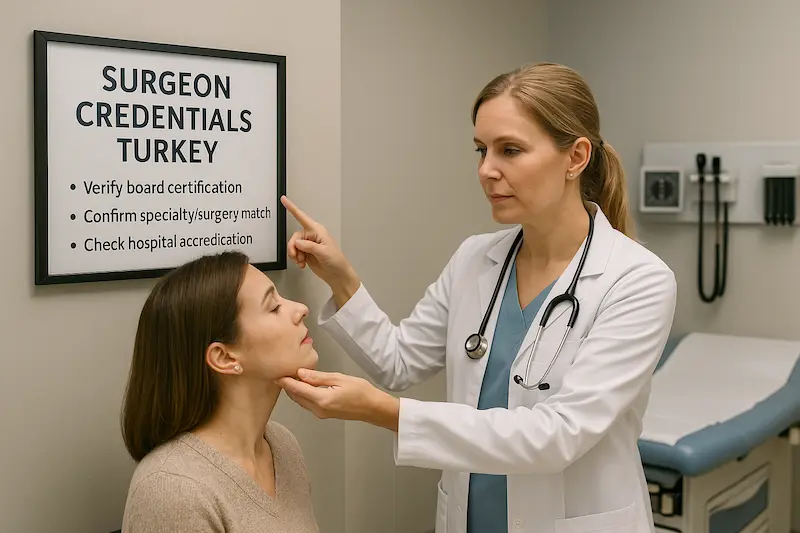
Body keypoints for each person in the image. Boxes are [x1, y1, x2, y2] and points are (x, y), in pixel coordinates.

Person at [276, 62, 677, 533]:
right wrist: (341, 279)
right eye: (481, 150)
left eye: (510, 150)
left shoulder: (637, 280)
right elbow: (398, 363)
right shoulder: (475, 259)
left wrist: (385, 412)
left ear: (576, 157)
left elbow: (558, 436)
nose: (487, 170)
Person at [120, 251, 320, 533]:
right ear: (225, 357)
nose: (301, 309)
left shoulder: (282, 445)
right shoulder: (173, 489)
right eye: (274, 307)